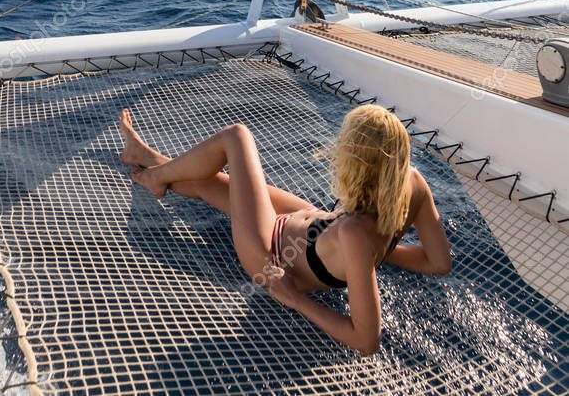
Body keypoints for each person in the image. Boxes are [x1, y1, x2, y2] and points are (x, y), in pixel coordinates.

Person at [118, 103, 451, 356]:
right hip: (314, 223)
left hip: (270, 254)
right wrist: (370, 259)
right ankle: (146, 157)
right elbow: (437, 262)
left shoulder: (355, 235)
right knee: (217, 183)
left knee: (237, 138)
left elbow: (365, 341)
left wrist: (296, 300)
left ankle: (155, 177)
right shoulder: (414, 184)